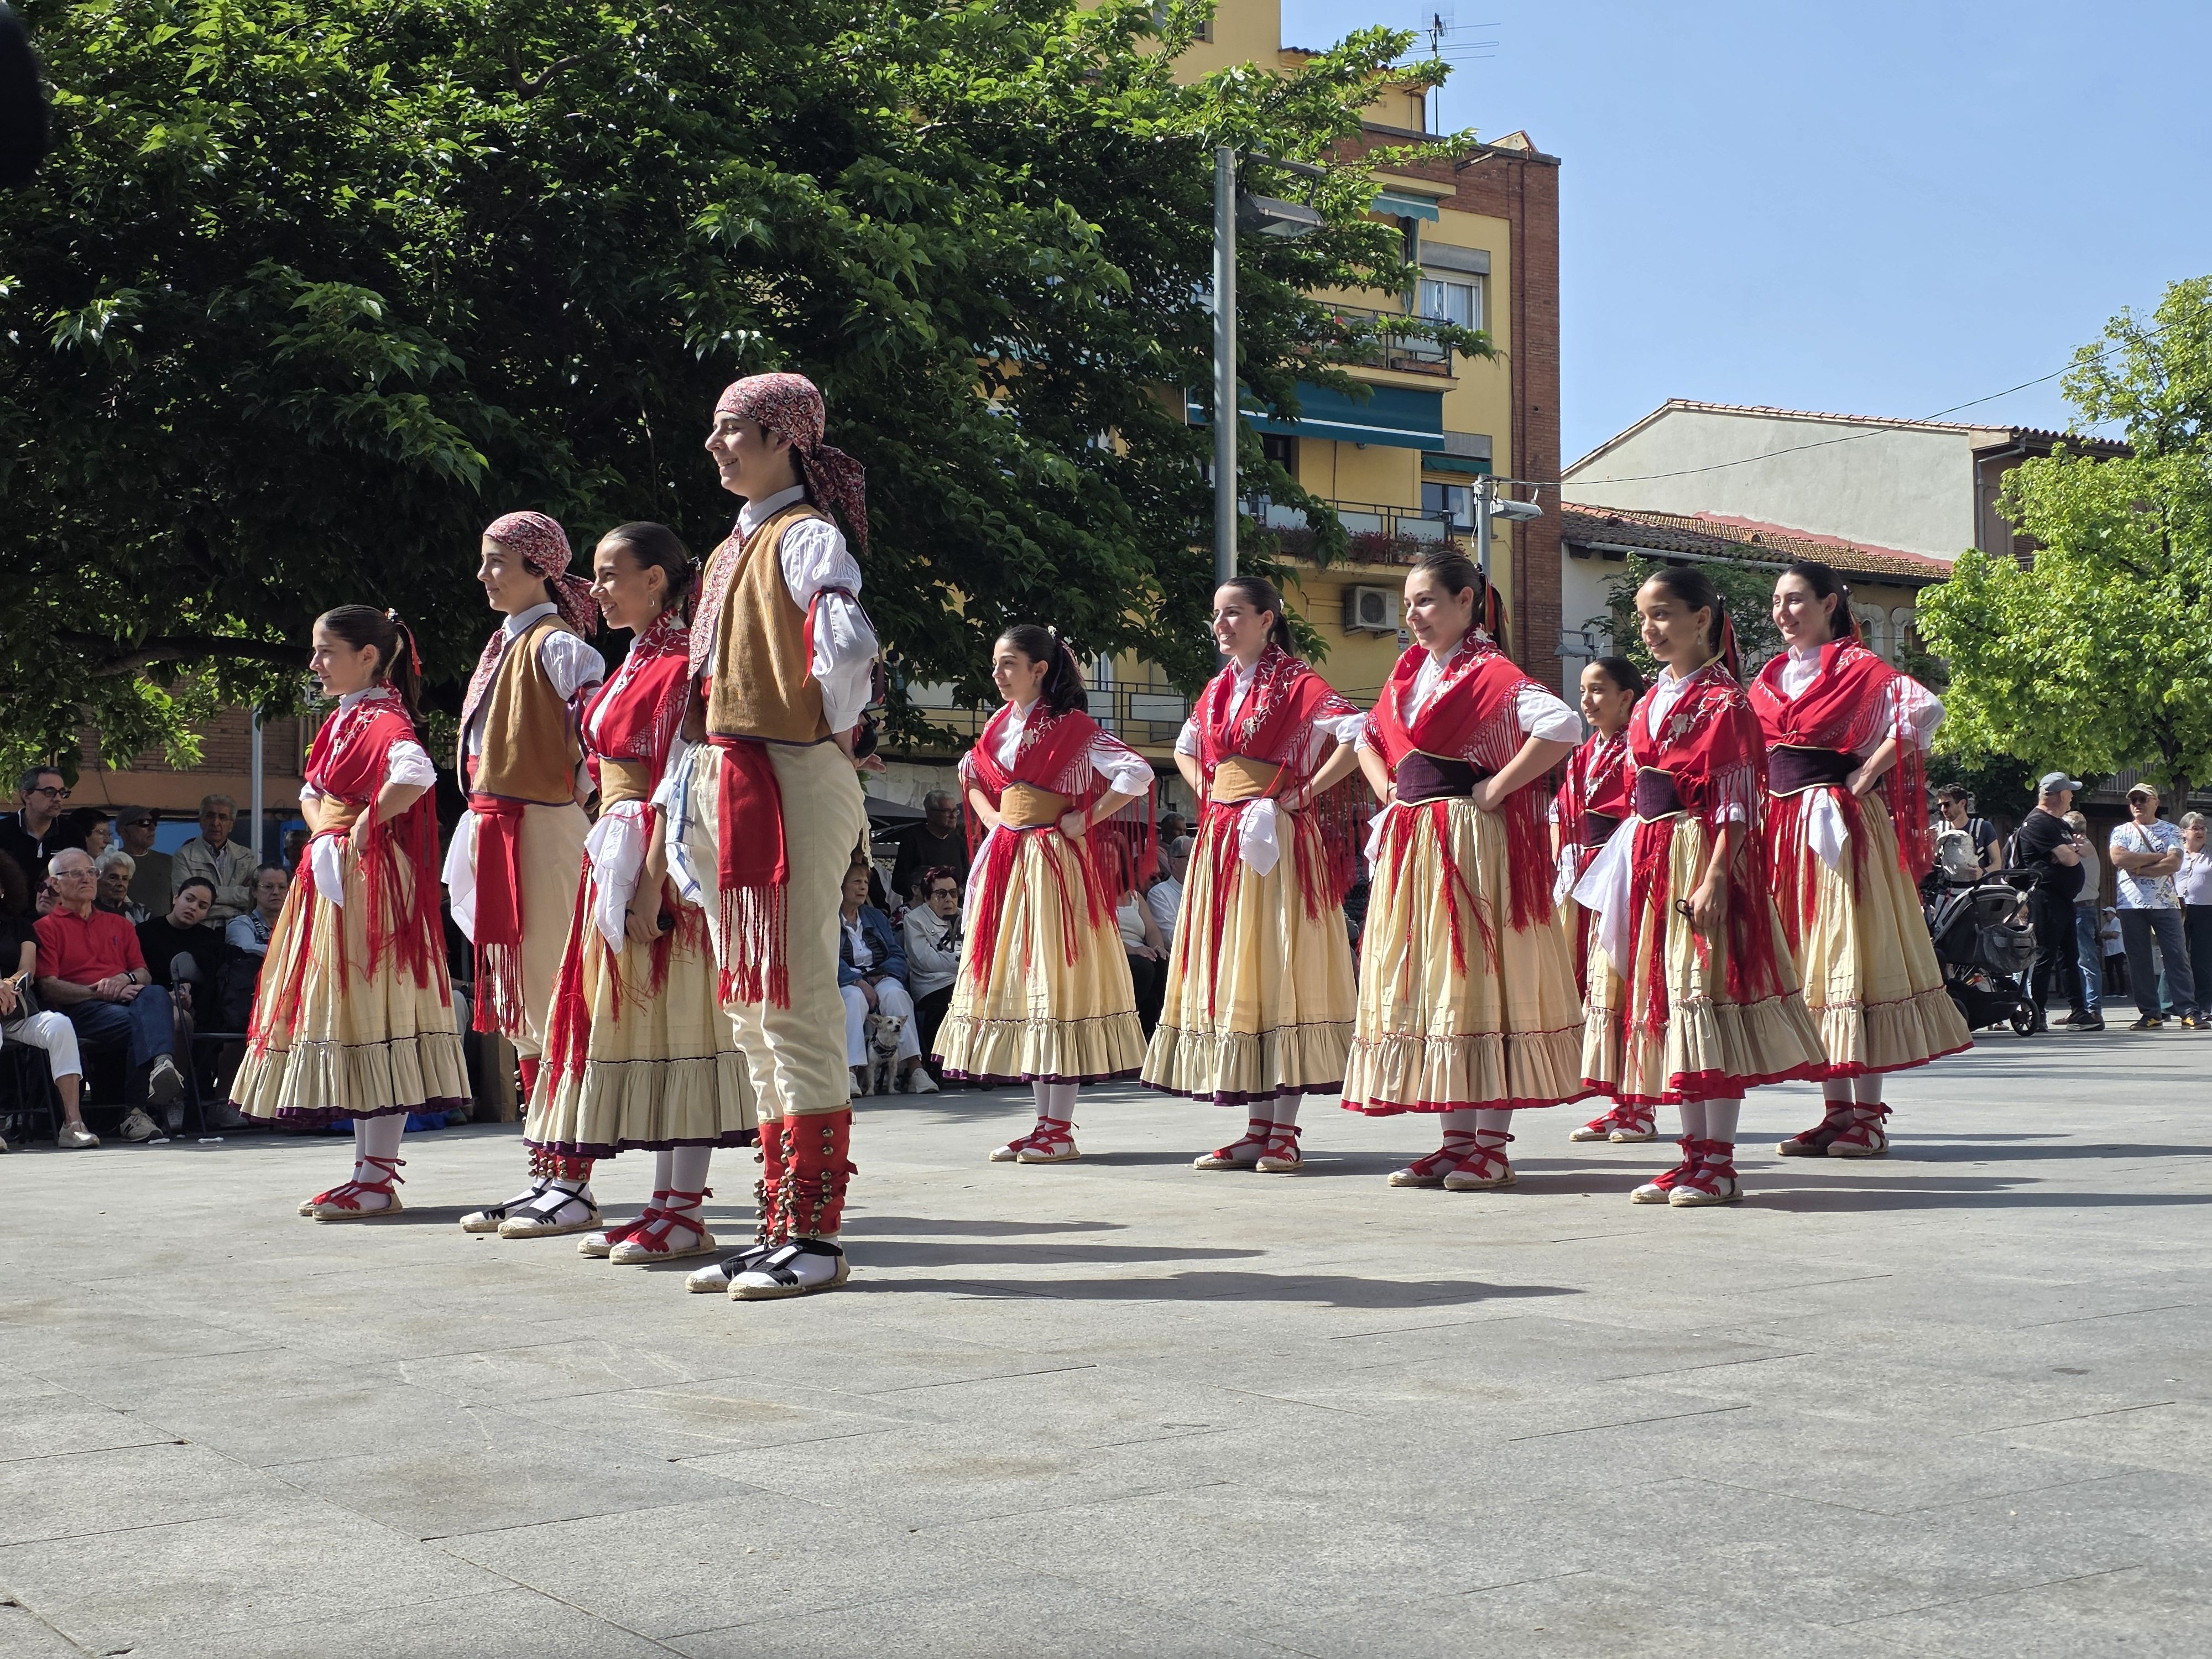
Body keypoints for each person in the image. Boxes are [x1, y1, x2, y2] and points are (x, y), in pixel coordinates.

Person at [466, 524, 757, 1256]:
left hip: (663, 850)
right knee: (635, 1022)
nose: (593, 591)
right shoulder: (638, 657)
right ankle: (656, 1204)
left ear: (655, 579)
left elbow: (683, 773)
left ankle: (679, 1209)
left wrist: (651, 875)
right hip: (615, 849)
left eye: (608, 575)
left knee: (680, 1019)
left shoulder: (688, 660)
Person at [667, 372, 878, 1301]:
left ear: (783, 437)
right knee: (752, 1011)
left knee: (792, 1002)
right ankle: (780, 1225)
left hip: (783, 774)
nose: (716, 447)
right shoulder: (731, 548)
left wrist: (830, 734)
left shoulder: (807, 535)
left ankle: (816, 1235)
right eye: (715, 432)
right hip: (734, 775)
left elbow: (847, 643)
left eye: (731, 432)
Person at [1575, 565, 1827, 1206]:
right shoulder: (1654, 697)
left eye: (1661, 614)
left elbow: (1738, 797)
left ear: (1700, 618)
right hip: (1654, 855)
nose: (1649, 628)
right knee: (1671, 1007)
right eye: (1642, 617)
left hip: (1699, 852)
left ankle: (1717, 1163)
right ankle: (1692, 1158)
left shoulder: (1725, 701)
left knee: (1703, 1002)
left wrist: (1717, 876)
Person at [1344, 553, 1589, 1191]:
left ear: (1465, 602)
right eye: (1407, 603)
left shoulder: (1491, 672)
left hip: (1469, 841)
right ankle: (1454, 1142)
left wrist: (1495, 788)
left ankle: (1491, 1146)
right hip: (1416, 839)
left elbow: (1562, 726)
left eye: (1425, 601)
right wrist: (1390, 790)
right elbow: (1366, 737)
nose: (1412, 614)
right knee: (1434, 984)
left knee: (1476, 977)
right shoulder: (1407, 674)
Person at [230, 607, 468, 1217]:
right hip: (339, 875)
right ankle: (368, 1173)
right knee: (355, 1015)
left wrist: (359, 829)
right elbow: (313, 792)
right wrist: (330, 832)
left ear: (368, 655)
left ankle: (377, 1178)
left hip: (366, 884)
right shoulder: (348, 719)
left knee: (371, 1014)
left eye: (327, 651)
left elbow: (414, 775)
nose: (315, 663)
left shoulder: (382, 718)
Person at [1749, 561, 1973, 1158]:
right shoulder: (1768, 677)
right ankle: (1834, 1112)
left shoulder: (1858, 666)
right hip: (1784, 830)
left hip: (1843, 828)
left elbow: (1924, 711)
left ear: (1829, 604)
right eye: (1777, 602)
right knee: (1811, 966)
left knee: (1853, 959)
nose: (1783, 613)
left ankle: (1867, 1118)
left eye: (1796, 601)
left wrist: (1864, 773)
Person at [1141, 576, 1364, 1173]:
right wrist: (1210, 789)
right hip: (1225, 837)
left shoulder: (1297, 682)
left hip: (1279, 837)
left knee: (1278, 970)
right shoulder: (1216, 690)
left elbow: (1356, 732)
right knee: (1243, 975)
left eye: (1234, 613)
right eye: (1217, 614)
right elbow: (1186, 750)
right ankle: (1256, 1126)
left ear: (1268, 619)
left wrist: (1304, 791)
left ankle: (1283, 1130)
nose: (1221, 625)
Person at [936, 624, 1153, 1163]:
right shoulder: (995, 727)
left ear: (1039, 669)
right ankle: (1045, 1125)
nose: (998, 673)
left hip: (1053, 866)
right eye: (996, 663)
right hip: (1011, 864)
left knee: (1053, 984)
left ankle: (1057, 1127)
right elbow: (970, 776)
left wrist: (1087, 817)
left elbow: (1136, 771)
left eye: (1009, 663)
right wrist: (993, 821)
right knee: (1025, 984)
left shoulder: (1070, 727)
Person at [441, 513, 606, 1109]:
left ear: (538, 568)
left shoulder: (557, 644)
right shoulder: (510, 639)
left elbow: (599, 729)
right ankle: (547, 1153)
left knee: (547, 985)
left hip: (538, 827)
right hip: (501, 827)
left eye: (496, 562)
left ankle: (564, 1158)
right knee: (522, 998)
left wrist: (588, 792)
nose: (482, 573)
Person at [1556, 655, 1650, 1146]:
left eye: (1597, 691)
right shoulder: (1585, 751)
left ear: (1626, 697)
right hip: (1587, 874)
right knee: (1600, 988)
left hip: (1624, 872)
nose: (1587, 701)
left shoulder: (1640, 746)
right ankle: (1619, 1102)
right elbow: (1564, 813)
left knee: (1627, 982)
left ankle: (1642, 1106)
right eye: (1583, 691)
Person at [35, 847, 186, 1140]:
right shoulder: (45, 928)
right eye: (76, 873)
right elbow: (48, 986)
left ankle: (161, 1065)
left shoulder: (119, 924)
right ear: (56, 883)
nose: (87, 879)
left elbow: (142, 973)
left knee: (154, 992)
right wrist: (100, 992)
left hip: (125, 1003)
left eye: (91, 872)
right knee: (144, 1025)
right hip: (80, 1009)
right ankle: (135, 1111)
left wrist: (123, 978)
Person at [1, 847, 96, 1149]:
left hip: (15, 1010)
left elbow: (27, 969)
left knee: (60, 1026)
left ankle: (73, 1124)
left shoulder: (21, 927)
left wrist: (8, 985)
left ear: (3, 890)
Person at [2109, 783, 2195, 1030]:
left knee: (2177, 956)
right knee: (2139, 960)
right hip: (2130, 904)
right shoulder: (2121, 831)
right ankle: (2151, 1014)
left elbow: (2174, 864)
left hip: (2166, 903)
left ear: (2156, 803)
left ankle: (2188, 1010)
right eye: (2134, 800)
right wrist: (2158, 857)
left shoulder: (2172, 830)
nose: (2137, 804)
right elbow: (2118, 859)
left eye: (2143, 799)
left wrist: (2137, 867)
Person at [838, 864, 930, 1093]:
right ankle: (850, 1073)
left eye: (865, 883)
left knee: (896, 993)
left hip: (879, 974)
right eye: (856, 882)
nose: (862, 887)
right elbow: (827, 958)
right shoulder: (828, 919)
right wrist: (858, 982)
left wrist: (884, 974)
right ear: (840, 886)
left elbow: (897, 954)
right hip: (847, 980)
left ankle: (916, 1070)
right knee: (853, 998)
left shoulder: (875, 917)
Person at [2009, 774, 2085, 1034]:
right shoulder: (2038, 822)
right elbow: (2070, 858)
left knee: (2069, 956)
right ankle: (2037, 1011)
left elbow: (2075, 852)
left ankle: (2079, 1011)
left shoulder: (2058, 823)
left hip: (2063, 898)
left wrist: (2069, 851)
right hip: (2046, 896)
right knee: (2044, 955)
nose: (2073, 797)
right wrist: (2068, 851)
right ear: (2058, 795)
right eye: (2070, 792)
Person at [902, 868, 962, 1072]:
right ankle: (938, 1066)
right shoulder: (914, 920)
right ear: (927, 898)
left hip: (964, 981)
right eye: (941, 894)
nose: (949, 900)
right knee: (951, 1000)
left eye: (953, 893)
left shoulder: (967, 917)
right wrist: (963, 964)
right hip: (932, 985)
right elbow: (926, 960)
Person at [171, 794, 258, 930]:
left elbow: (255, 897)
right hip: (198, 930)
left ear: (231, 825)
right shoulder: (184, 856)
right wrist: (233, 908)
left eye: (223, 817)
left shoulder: (246, 856)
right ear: (201, 821)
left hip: (238, 929)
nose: (216, 823)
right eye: (210, 816)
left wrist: (205, 899)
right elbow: (183, 901)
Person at [889, 790, 970, 906]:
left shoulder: (959, 842)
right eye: (947, 811)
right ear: (930, 814)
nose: (953, 816)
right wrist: (926, 893)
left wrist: (958, 892)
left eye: (955, 811)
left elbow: (967, 881)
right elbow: (899, 882)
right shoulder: (912, 839)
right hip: (921, 914)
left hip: (954, 913)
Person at [2063, 810, 2105, 1030]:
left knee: (2086, 961)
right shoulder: (2084, 846)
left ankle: (2093, 1010)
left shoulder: (2081, 848)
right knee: (2077, 961)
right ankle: (2080, 1010)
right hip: (2080, 908)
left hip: (2082, 909)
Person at [1118, 882, 1170, 1035]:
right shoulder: (1094, 895)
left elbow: (1152, 930)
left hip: (1142, 948)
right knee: (1143, 969)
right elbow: (1100, 936)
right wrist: (1134, 950)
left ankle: (1157, 1027)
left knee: (1163, 963)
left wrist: (1158, 947)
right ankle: (1134, 1025)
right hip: (1118, 951)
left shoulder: (1135, 897)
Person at [0, 766, 69, 881]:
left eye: (62, 792)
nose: (58, 799)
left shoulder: (72, 833)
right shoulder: (3, 831)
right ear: (26, 796)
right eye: (50, 792)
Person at [2179, 812, 2212, 1027]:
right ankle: (2169, 1005)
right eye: (2195, 828)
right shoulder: (2174, 854)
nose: (2200, 832)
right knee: (2175, 957)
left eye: (2203, 828)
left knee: (2203, 960)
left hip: (2205, 910)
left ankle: (2204, 1005)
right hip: (2178, 909)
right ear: (2184, 832)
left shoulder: (2210, 856)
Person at [115, 807, 171, 915]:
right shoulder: (108, 864)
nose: (152, 827)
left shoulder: (169, 862)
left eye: (154, 822)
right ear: (124, 831)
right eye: (144, 823)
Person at [1935, 785, 2002, 875]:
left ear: (1962, 803)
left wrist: (1983, 872)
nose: (1944, 809)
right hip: (1947, 886)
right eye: (1941, 806)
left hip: (1977, 886)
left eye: (1947, 804)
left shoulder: (1984, 828)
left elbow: (1997, 864)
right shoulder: (1938, 830)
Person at [226, 865, 290, 959]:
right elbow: (245, 949)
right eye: (268, 887)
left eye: (282, 887)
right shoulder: (241, 924)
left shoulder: (296, 926)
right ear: (254, 891)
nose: (276, 892)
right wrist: (293, 952)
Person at [1147, 835, 1190, 952]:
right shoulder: (1159, 894)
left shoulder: (1212, 891)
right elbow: (1171, 939)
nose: (1199, 862)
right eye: (1191, 857)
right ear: (1173, 862)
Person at [95, 849, 147, 925]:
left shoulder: (141, 913)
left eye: (125, 879)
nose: (121, 884)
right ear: (98, 880)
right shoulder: (86, 912)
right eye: (113, 878)